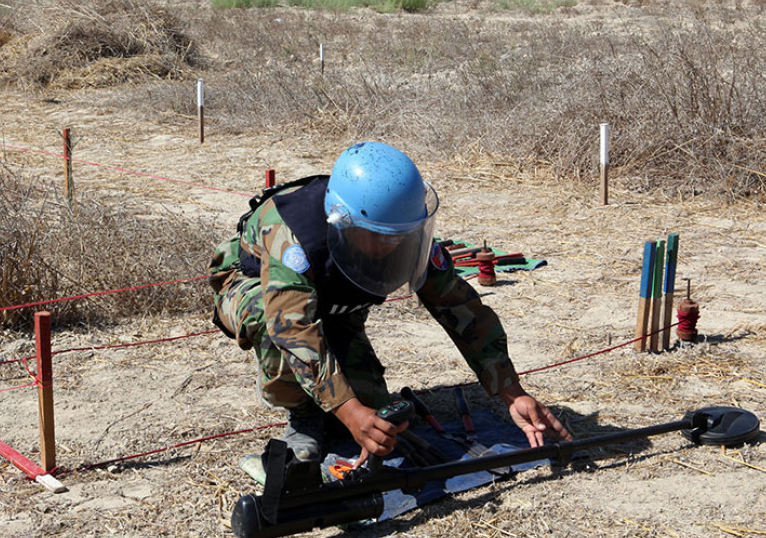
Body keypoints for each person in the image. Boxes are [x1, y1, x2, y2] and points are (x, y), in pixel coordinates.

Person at [209, 141, 571, 466]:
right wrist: (349, 413)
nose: (391, 248)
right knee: (274, 325)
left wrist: (512, 393)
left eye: (399, 237)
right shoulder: (293, 235)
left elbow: (460, 307)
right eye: (379, 238)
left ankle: (333, 394)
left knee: (374, 410)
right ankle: (302, 416)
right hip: (252, 284)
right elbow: (293, 328)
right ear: (343, 222)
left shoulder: (401, 232)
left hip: (333, 303)